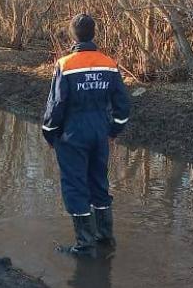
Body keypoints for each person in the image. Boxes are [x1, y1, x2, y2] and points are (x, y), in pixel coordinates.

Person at [42, 14, 130, 256]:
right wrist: (113, 131)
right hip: (100, 133)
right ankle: (104, 237)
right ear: (93, 33)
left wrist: (49, 133)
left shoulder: (65, 64)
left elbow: (57, 104)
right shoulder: (109, 63)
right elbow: (123, 105)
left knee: (75, 186)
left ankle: (84, 245)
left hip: (72, 135)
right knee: (99, 183)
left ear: (73, 35)